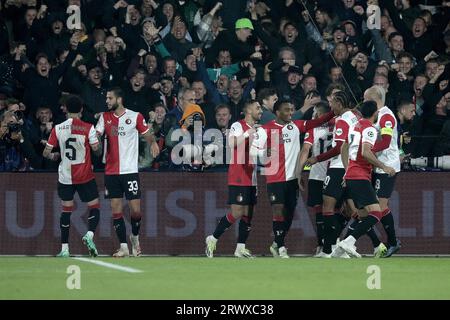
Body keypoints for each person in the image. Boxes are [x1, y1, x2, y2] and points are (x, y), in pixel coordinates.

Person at [251, 100, 334, 258]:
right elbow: (253, 151)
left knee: (289, 212)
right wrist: (266, 153)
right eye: (286, 110)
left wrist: (333, 111)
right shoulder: (265, 130)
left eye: (291, 110)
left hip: (292, 178)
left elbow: (318, 121)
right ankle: (281, 247)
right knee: (278, 209)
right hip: (274, 177)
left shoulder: (296, 126)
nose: (290, 113)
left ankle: (276, 243)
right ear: (277, 112)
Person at [96, 87, 159, 257]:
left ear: (119, 99)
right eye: (106, 98)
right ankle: (123, 246)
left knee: (136, 211)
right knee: (115, 208)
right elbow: (96, 135)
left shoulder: (135, 116)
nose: (107, 101)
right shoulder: (104, 117)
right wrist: (94, 142)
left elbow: (147, 134)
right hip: (111, 171)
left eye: (110, 98)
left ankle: (135, 237)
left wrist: (152, 143)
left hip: (130, 170)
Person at [333, 100, 396, 258]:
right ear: (375, 113)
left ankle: (339, 251)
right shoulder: (370, 129)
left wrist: (347, 169)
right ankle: (348, 242)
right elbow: (366, 152)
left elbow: (343, 148)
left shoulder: (355, 126)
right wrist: (384, 166)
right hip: (360, 176)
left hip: (352, 175)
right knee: (376, 214)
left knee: (362, 216)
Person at [42, 95, 102, 257]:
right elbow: (97, 150)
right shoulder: (88, 128)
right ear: (81, 110)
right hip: (85, 176)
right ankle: (89, 235)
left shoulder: (58, 128)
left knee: (66, 211)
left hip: (66, 176)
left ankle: (65, 249)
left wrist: (55, 156)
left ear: (66, 109)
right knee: (94, 207)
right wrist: (97, 144)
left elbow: (46, 152)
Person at [205, 100, 262, 258]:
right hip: (238, 174)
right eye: (257, 108)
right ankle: (213, 237)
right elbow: (231, 143)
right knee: (237, 211)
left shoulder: (259, 129)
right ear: (248, 111)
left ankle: (240, 248)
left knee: (248, 212)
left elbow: (259, 151)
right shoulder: (238, 125)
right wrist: (247, 134)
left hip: (252, 175)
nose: (261, 111)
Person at [306, 91, 360, 256]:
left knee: (327, 209)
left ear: (339, 103)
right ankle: (337, 247)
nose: (331, 107)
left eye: (333, 103)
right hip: (353, 166)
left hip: (338, 167)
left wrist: (317, 158)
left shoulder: (342, 120)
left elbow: (338, 148)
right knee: (349, 209)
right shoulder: (355, 117)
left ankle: (329, 249)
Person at [364, 86, 402, 257]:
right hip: (376, 164)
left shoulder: (386, 116)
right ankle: (385, 243)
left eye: (366, 99)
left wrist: (367, 151)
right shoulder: (377, 115)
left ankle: (393, 242)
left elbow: (386, 142)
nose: (363, 102)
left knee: (380, 205)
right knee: (368, 206)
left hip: (387, 165)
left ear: (374, 98)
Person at [297, 102, 334, 256]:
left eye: (314, 114)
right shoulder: (338, 126)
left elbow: (305, 150)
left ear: (320, 115)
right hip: (334, 173)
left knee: (320, 212)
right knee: (334, 211)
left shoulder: (313, 129)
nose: (312, 117)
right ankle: (332, 244)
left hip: (318, 175)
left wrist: (299, 172)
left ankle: (323, 245)